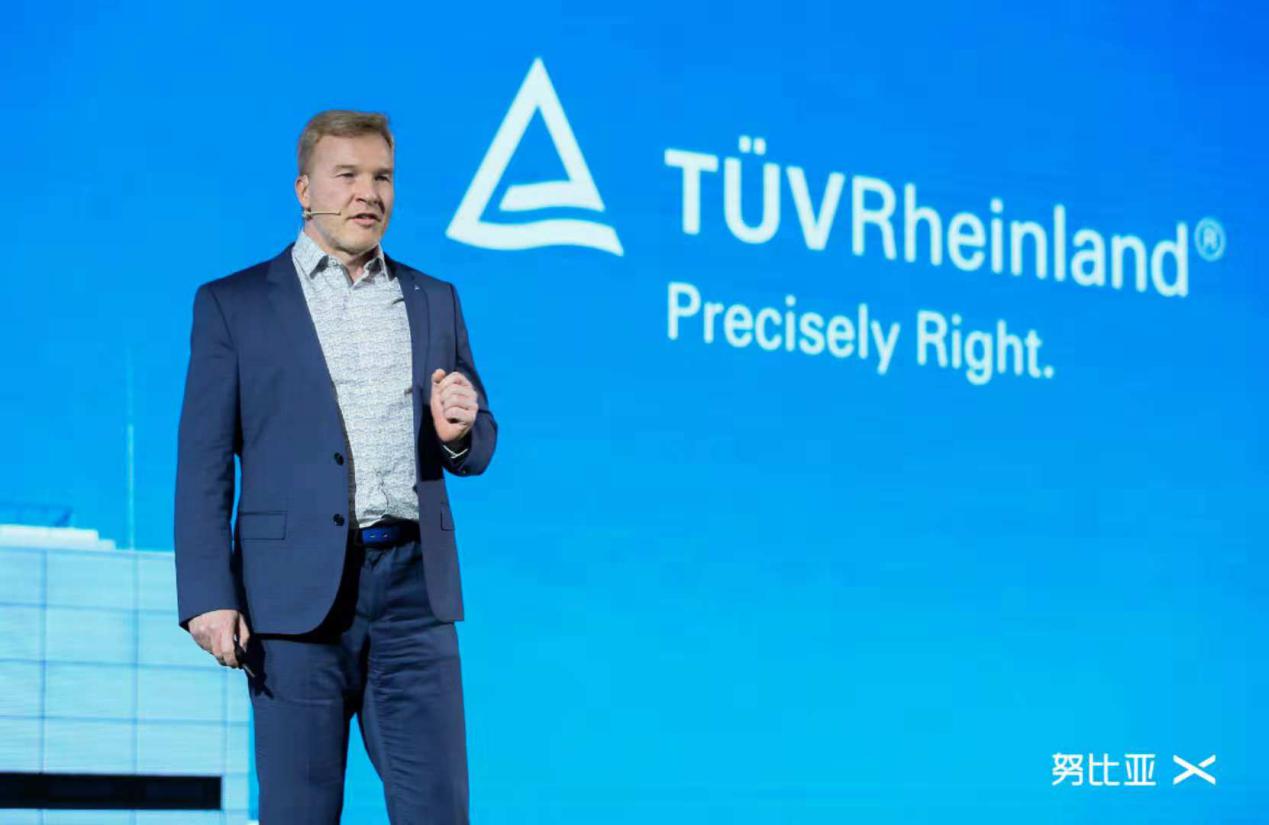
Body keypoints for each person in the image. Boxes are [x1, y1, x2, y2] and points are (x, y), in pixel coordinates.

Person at [173, 109, 497, 823]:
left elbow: (476, 441)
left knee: (439, 811)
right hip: (292, 604)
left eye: (381, 177)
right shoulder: (234, 305)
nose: (367, 193)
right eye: (346, 175)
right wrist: (207, 595)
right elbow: (203, 461)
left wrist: (458, 431)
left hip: (414, 595)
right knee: (299, 812)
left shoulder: (433, 298)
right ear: (304, 190)